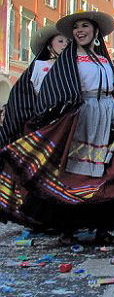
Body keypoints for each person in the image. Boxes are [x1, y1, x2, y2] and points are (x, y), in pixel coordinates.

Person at [1, 11, 114, 245]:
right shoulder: (68, 60)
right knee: (75, 176)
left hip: (108, 118)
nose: (80, 30)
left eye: (85, 25)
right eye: (76, 27)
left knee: (107, 173)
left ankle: (102, 228)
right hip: (80, 120)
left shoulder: (104, 61)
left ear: (95, 31)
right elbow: (53, 90)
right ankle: (68, 228)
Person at [0, 25, 68, 226]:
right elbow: (24, 97)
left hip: (65, 125)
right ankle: (37, 216)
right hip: (42, 126)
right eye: (60, 41)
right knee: (40, 172)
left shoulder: (72, 66)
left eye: (67, 41)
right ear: (49, 46)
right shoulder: (39, 67)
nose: (65, 45)